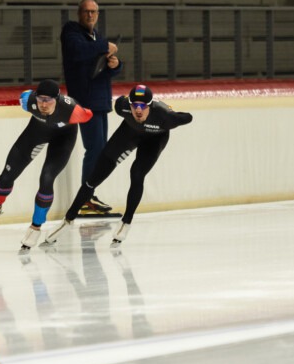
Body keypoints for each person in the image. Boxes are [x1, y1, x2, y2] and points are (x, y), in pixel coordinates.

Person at [44, 84, 192, 246]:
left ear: (150, 106)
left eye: (143, 106)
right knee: (94, 177)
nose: (138, 110)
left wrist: (174, 113)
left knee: (137, 173)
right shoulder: (122, 107)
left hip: (155, 140)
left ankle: (126, 222)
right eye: (134, 105)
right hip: (129, 133)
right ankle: (68, 220)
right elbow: (119, 102)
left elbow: (187, 117)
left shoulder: (165, 117)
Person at [0, 79, 93, 249]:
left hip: (64, 138)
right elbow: (28, 97)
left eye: (48, 100)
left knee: (47, 178)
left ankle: (35, 227)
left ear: (58, 99)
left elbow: (90, 114)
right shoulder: (27, 100)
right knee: (7, 175)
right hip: (37, 132)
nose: (43, 104)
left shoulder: (73, 110)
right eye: (40, 99)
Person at [60, 0, 123, 216]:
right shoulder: (71, 32)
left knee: (100, 151)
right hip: (86, 102)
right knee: (94, 150)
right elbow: (79, 52)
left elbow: (100, 66)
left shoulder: (96, 37)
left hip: (100, 101)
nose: (90, 15)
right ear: (79, 14)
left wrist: (115, 65)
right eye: (86, 12)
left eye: (93, 12)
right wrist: (104, 47)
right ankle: (85, 199)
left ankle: (89, 196)